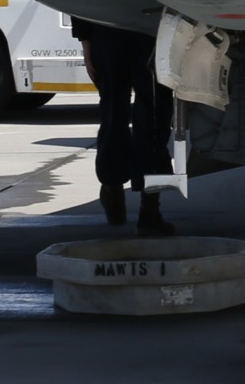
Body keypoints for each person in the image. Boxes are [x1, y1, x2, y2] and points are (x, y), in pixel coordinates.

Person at [75, 18, 176, 234]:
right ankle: (150, 209)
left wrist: (86, 42)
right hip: (153, 32)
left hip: (106, 32)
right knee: (154, 120)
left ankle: (112, 189)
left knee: (113, 114)